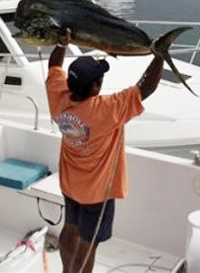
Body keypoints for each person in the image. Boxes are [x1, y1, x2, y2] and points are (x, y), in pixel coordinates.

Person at [46, 28, 165, 273]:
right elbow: (146, 88)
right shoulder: (105, 111)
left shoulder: (57, 95)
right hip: (96, 192)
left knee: (70, 229)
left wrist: (61, 45)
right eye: (100, 79)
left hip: (70, 184)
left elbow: (53, 67)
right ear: (94, 88)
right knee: (88, 244)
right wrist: (159, 56)